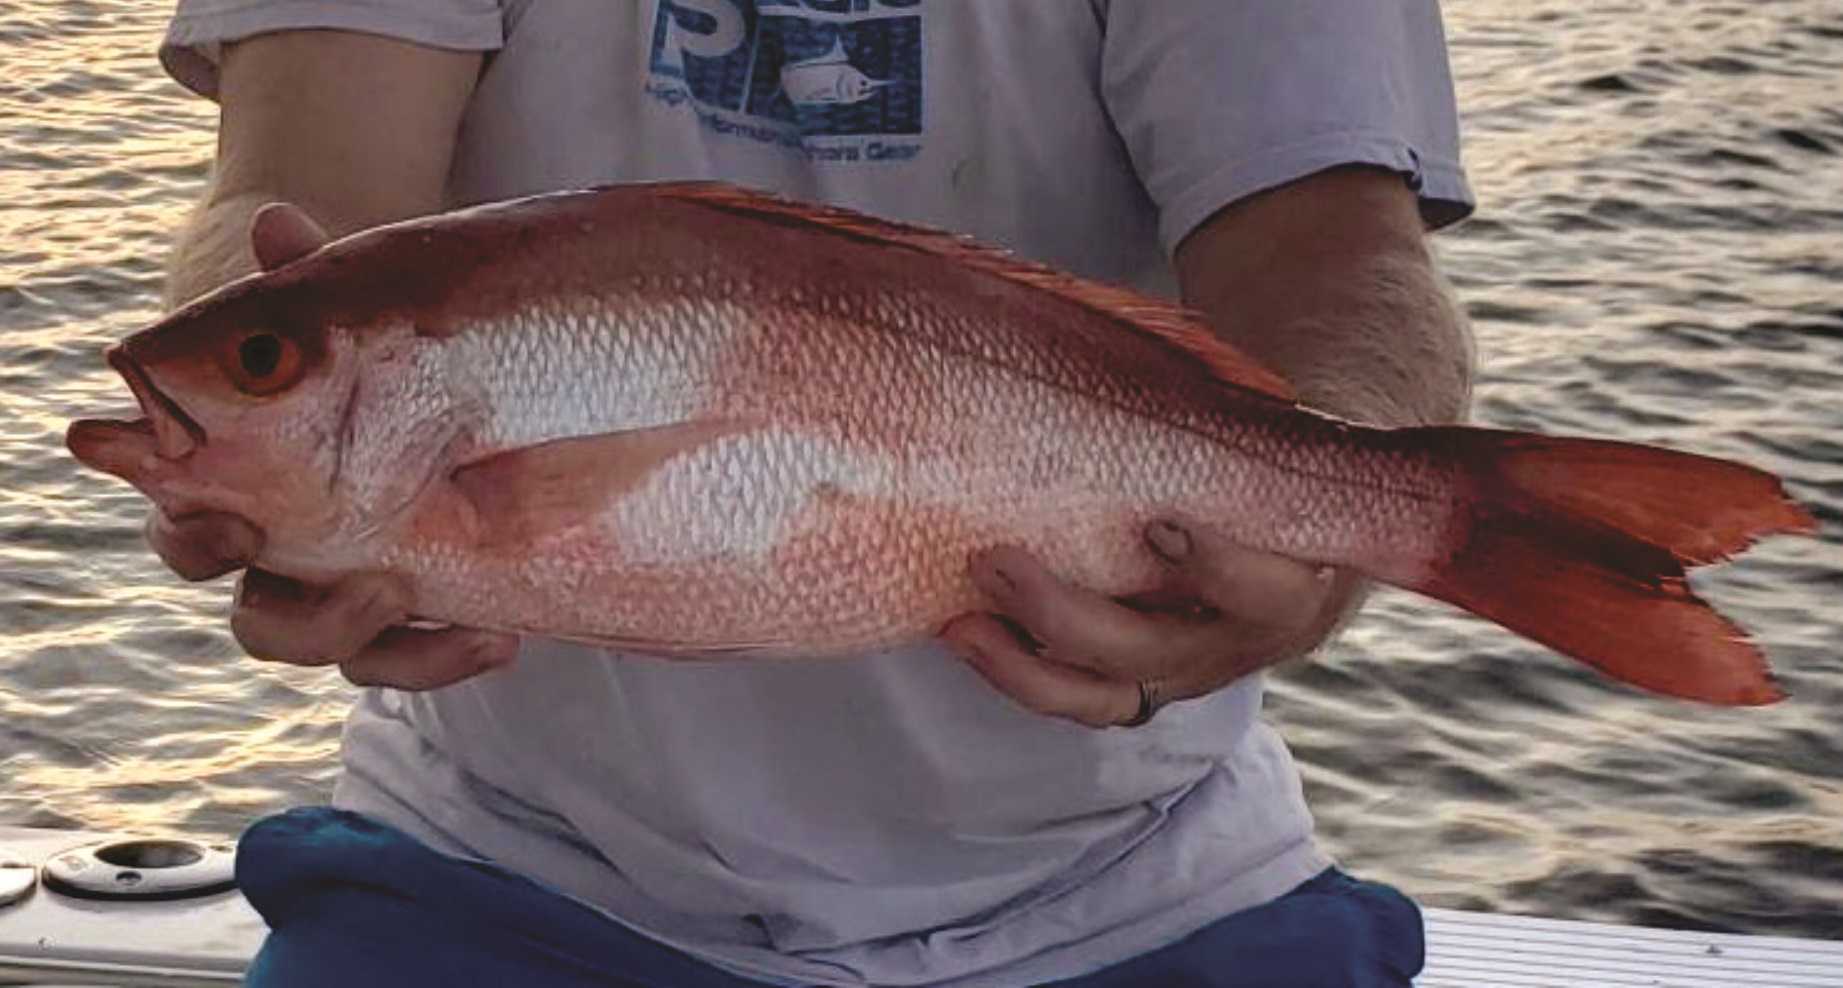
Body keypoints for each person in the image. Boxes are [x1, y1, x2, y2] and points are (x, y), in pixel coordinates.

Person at [151, 2, 1475, 985]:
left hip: (1138, 887)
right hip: (493, 867)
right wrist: (270, 418)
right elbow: (289, 194)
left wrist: (1329, 529)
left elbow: (1338, 252)